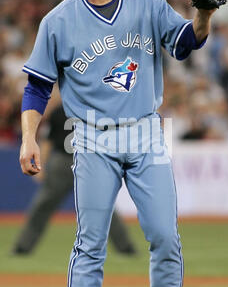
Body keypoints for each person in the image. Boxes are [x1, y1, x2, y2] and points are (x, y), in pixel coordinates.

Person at [19, 0, 218, 287]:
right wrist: (29, 137)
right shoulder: (58, 20)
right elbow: (37, 87)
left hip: (146, 131)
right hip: (90, 137)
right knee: (90, 243)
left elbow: (187, 44)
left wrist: (203, 12)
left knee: (165, 237)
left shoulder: (146, 3)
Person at [12, 103, 137, 255]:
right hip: (81, 161)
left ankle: (23, 246)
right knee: (103, 205)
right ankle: (125, 247)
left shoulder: (61, 109)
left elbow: (47, 141)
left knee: (44, 205)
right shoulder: (93, 106)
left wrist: (41, 165)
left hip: (69, 162)